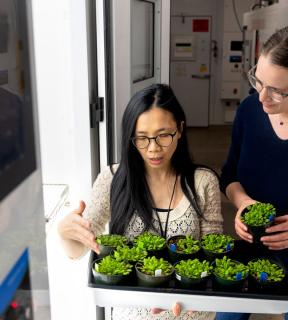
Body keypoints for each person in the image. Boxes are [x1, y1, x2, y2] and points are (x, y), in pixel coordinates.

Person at [58, 83, 223, 320]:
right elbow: (81, 246)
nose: (153, 149)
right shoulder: (112, 179)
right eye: (142, 138)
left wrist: (191, 295)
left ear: (181, 129)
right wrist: (66, 233)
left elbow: (213, 253)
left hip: (190, 313)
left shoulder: (203, 181)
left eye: (163, 135)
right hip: (131, 314)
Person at [217, 25, 288, 320]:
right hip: (250, 250)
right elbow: (230, 175)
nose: (262, 98)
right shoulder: (250, 111)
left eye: (276, 90)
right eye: (258, 82)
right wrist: (243, 203)